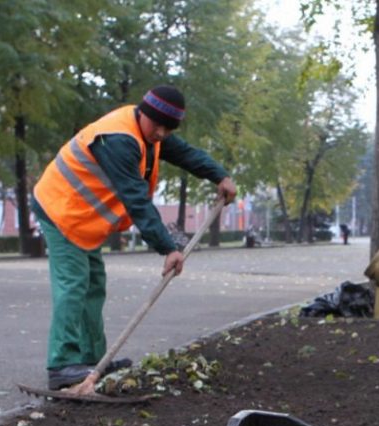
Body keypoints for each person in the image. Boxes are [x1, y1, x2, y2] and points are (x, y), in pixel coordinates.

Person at [32, 85, 237, 390]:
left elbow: (185, 154)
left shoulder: (149, 132)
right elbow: (136, 199)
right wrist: (168, 248)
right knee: (74, 285)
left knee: (93, 285)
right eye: (158, 125)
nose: (162, 133)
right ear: (144, 114)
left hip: (82, 216)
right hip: (60, 209)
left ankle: (92, 361)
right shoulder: (119, 140)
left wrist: (219, 175)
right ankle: (62, 364)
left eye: (168, 128)